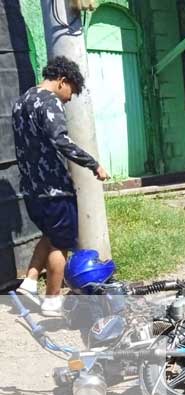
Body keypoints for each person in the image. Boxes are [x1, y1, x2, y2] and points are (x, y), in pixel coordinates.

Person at [12, 56, 110, 316]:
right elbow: (61, 140)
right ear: (63, 82)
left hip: (31, 188)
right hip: (54, 188)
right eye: (71, 92)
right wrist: (93, 164)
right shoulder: (49, 101)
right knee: (61, 244)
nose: (69, 99)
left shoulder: (21, 101)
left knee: (50, 233)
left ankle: (30, 281)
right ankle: (52, 302)